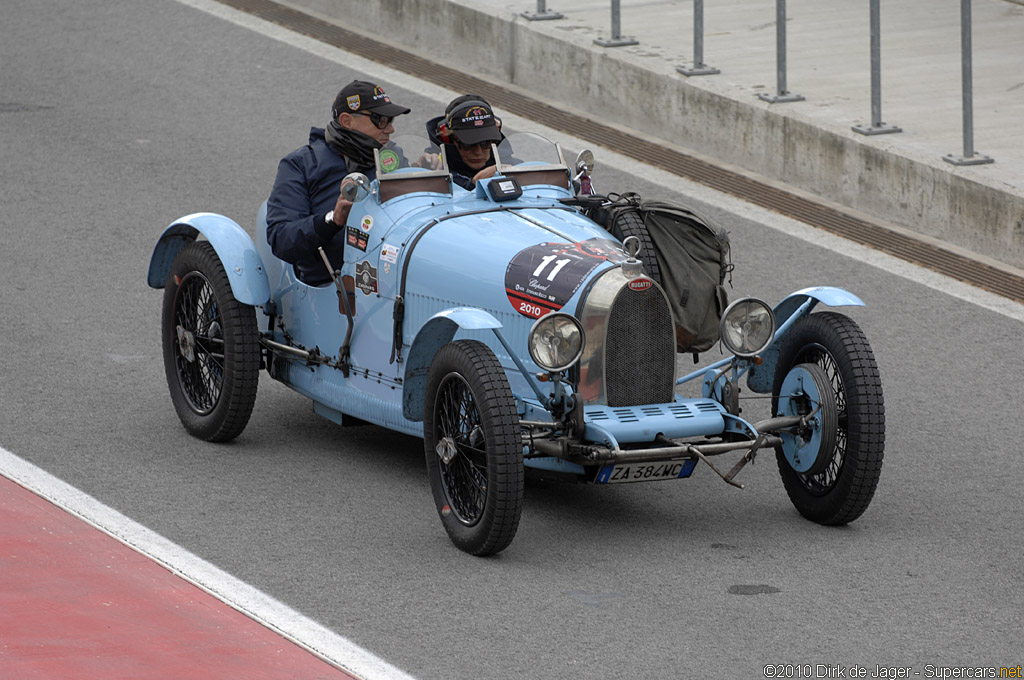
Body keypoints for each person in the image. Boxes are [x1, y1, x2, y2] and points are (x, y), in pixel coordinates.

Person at [266, 80, 410, 285]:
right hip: (332, 282)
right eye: (381, 120)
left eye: (391, 120)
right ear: (347, 121)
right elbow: (281, 239)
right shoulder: (301, 165)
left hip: (390, 273)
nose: (390, 129)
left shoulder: (391, 157)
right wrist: (333, 220)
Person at [426, 95, 504, 191]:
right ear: (447, 139)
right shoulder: (432, 168)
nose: (478, 152)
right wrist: (475, 184)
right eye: (468, 144)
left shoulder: (508, 162)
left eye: (486, 142)